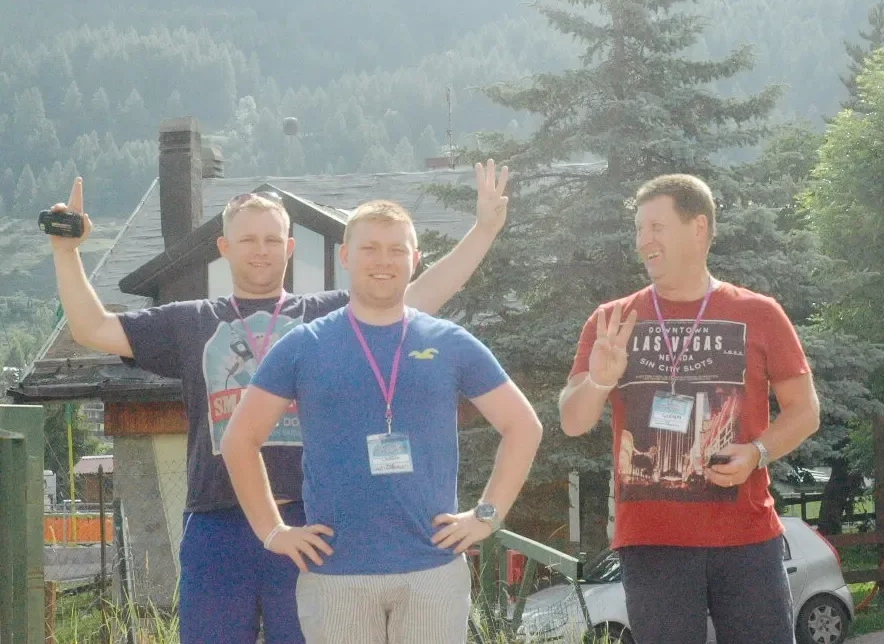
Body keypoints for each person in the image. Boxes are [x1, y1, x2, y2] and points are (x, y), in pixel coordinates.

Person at [47, 162, 511, 644]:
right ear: (224, 248)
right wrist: (65, 253)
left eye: (273, 239)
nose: (261, 251)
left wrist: (483, 229)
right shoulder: (191, 322)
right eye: (247, 240)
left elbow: (420, 293)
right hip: (217, 520)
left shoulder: (326, 318)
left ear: (290, 247)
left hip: (309, 524)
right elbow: (92, 329)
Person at [221, 199, 542, 644]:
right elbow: (239, 440)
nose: (383, 261)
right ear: (346, 257)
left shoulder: (450, 343)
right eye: (370, 248)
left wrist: (486, 516)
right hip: (336, 576)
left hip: (432, 573)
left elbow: (524, 427)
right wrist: (273, 531)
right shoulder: (304, 345)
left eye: (397, 249)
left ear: (415, 259)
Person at [559, 174, 820, 644]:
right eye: (638, 230)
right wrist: (600, 377)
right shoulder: (611, 320)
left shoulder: (759, 313)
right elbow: (573, 421)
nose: (643, 242)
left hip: (746, 537)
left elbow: (805, 412)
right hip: (652, 543)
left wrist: (758, 452)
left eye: (656, 227)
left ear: (697, 227)